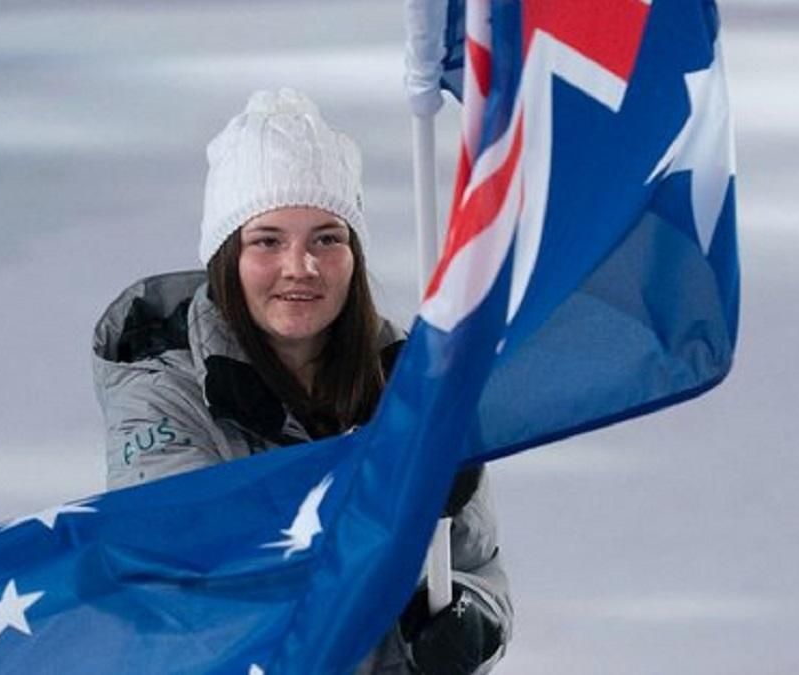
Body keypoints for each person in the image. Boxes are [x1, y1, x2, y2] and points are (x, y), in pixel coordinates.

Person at [91, 89, 511, 674]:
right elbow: (202, 580)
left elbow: (476, 569)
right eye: (267, 240)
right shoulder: (163, 391)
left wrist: (465, 625)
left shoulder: (415, 385)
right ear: (227, 258)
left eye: (326, 238)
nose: (300, 266)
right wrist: (386, 498)